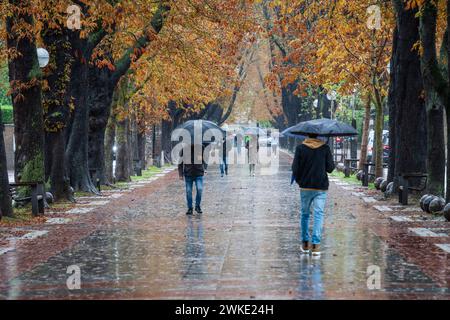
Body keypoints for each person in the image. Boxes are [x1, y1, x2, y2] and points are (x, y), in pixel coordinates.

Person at [292, 134, 335, 256]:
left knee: (305, 214)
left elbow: (295, 168)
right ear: (318, 135)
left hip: (305, 187)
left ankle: (305, 244)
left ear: (306, 135)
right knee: (318, 214)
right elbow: (330, 168)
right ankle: (316, 246)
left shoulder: (300, 148)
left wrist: (300, 181)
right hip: (321, 187)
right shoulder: (325, 148)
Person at [178, 144, 208, 215]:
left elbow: (205, 159)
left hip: (199, 172)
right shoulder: (184, 149)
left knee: (200, 189)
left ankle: (197, 206)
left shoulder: (201, 147)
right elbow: (180, 163)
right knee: (188, 191)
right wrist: (180, 174)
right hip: (188, 173)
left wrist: (205, 168)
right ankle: (190, 208)